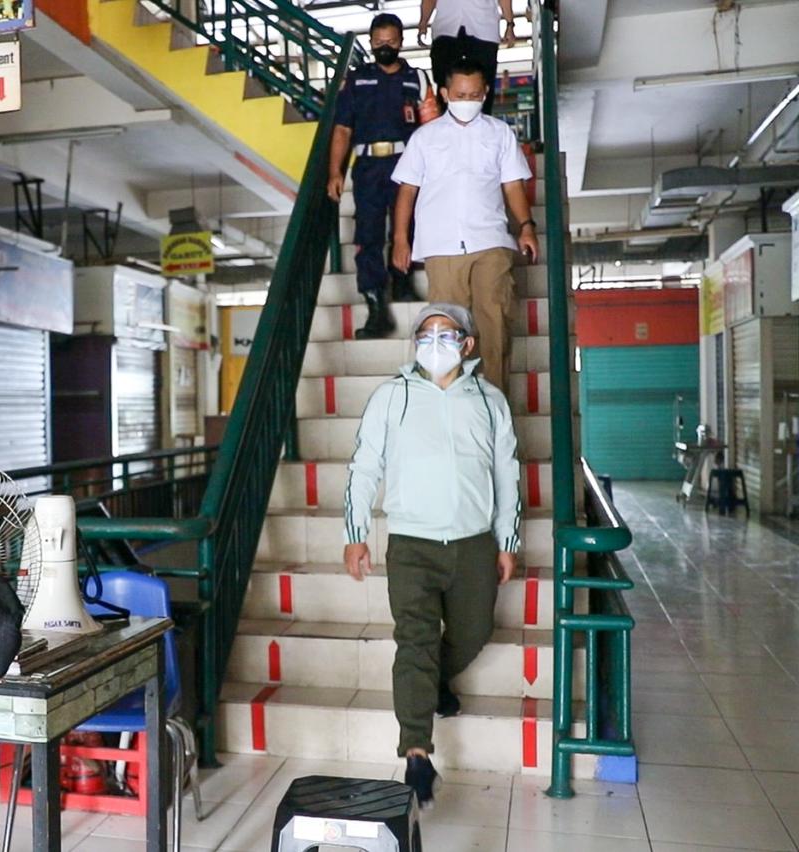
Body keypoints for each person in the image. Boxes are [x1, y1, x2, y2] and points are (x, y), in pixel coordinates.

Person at [343, 302, 520, 805]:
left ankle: (433, 681)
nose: (435, 342)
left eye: (447, 334)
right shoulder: (391, 397)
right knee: (415, 640)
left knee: (473, 633)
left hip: (472, 542)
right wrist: (356, 533)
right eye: (425, 334)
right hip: (411, 545)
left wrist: (507, 541)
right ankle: (417, 752)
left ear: (467, 344)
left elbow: (507, 473)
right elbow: (363, 468)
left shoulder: (490, 401)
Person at [389, 57, 537, 380]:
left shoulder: (500, 134)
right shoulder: (424, 139)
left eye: (474, 95)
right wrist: (401, 238)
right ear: (444, 93)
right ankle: (453, 410)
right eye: (460, 95)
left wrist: (526, 227)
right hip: (441, 248)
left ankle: (493, 412)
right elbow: (407, 191)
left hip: (491, 243)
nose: (467, 102)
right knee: (446, 334)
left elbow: (513, 185)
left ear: (485, 93)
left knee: (494, 328)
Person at [328, 13, 426, 339]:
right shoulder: (356, 80)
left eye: (391, 41)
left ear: (401, 41)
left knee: (408, 225)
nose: (385, 46)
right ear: (371, 43)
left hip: (406, 163)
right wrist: (334, 173)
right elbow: (342, 129)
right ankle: (375, 307)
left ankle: (403, 282)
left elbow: (430, 127)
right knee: (368, 235)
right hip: (368, 166)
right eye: (379, 41)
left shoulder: (417, 78)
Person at [417, 0, 518, 114]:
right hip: (446, 28)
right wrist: (423, 22)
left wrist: (510, 24)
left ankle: (482, 125)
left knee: (483, 84)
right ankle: (446, 125)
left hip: (483, 28)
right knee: (445, 82)